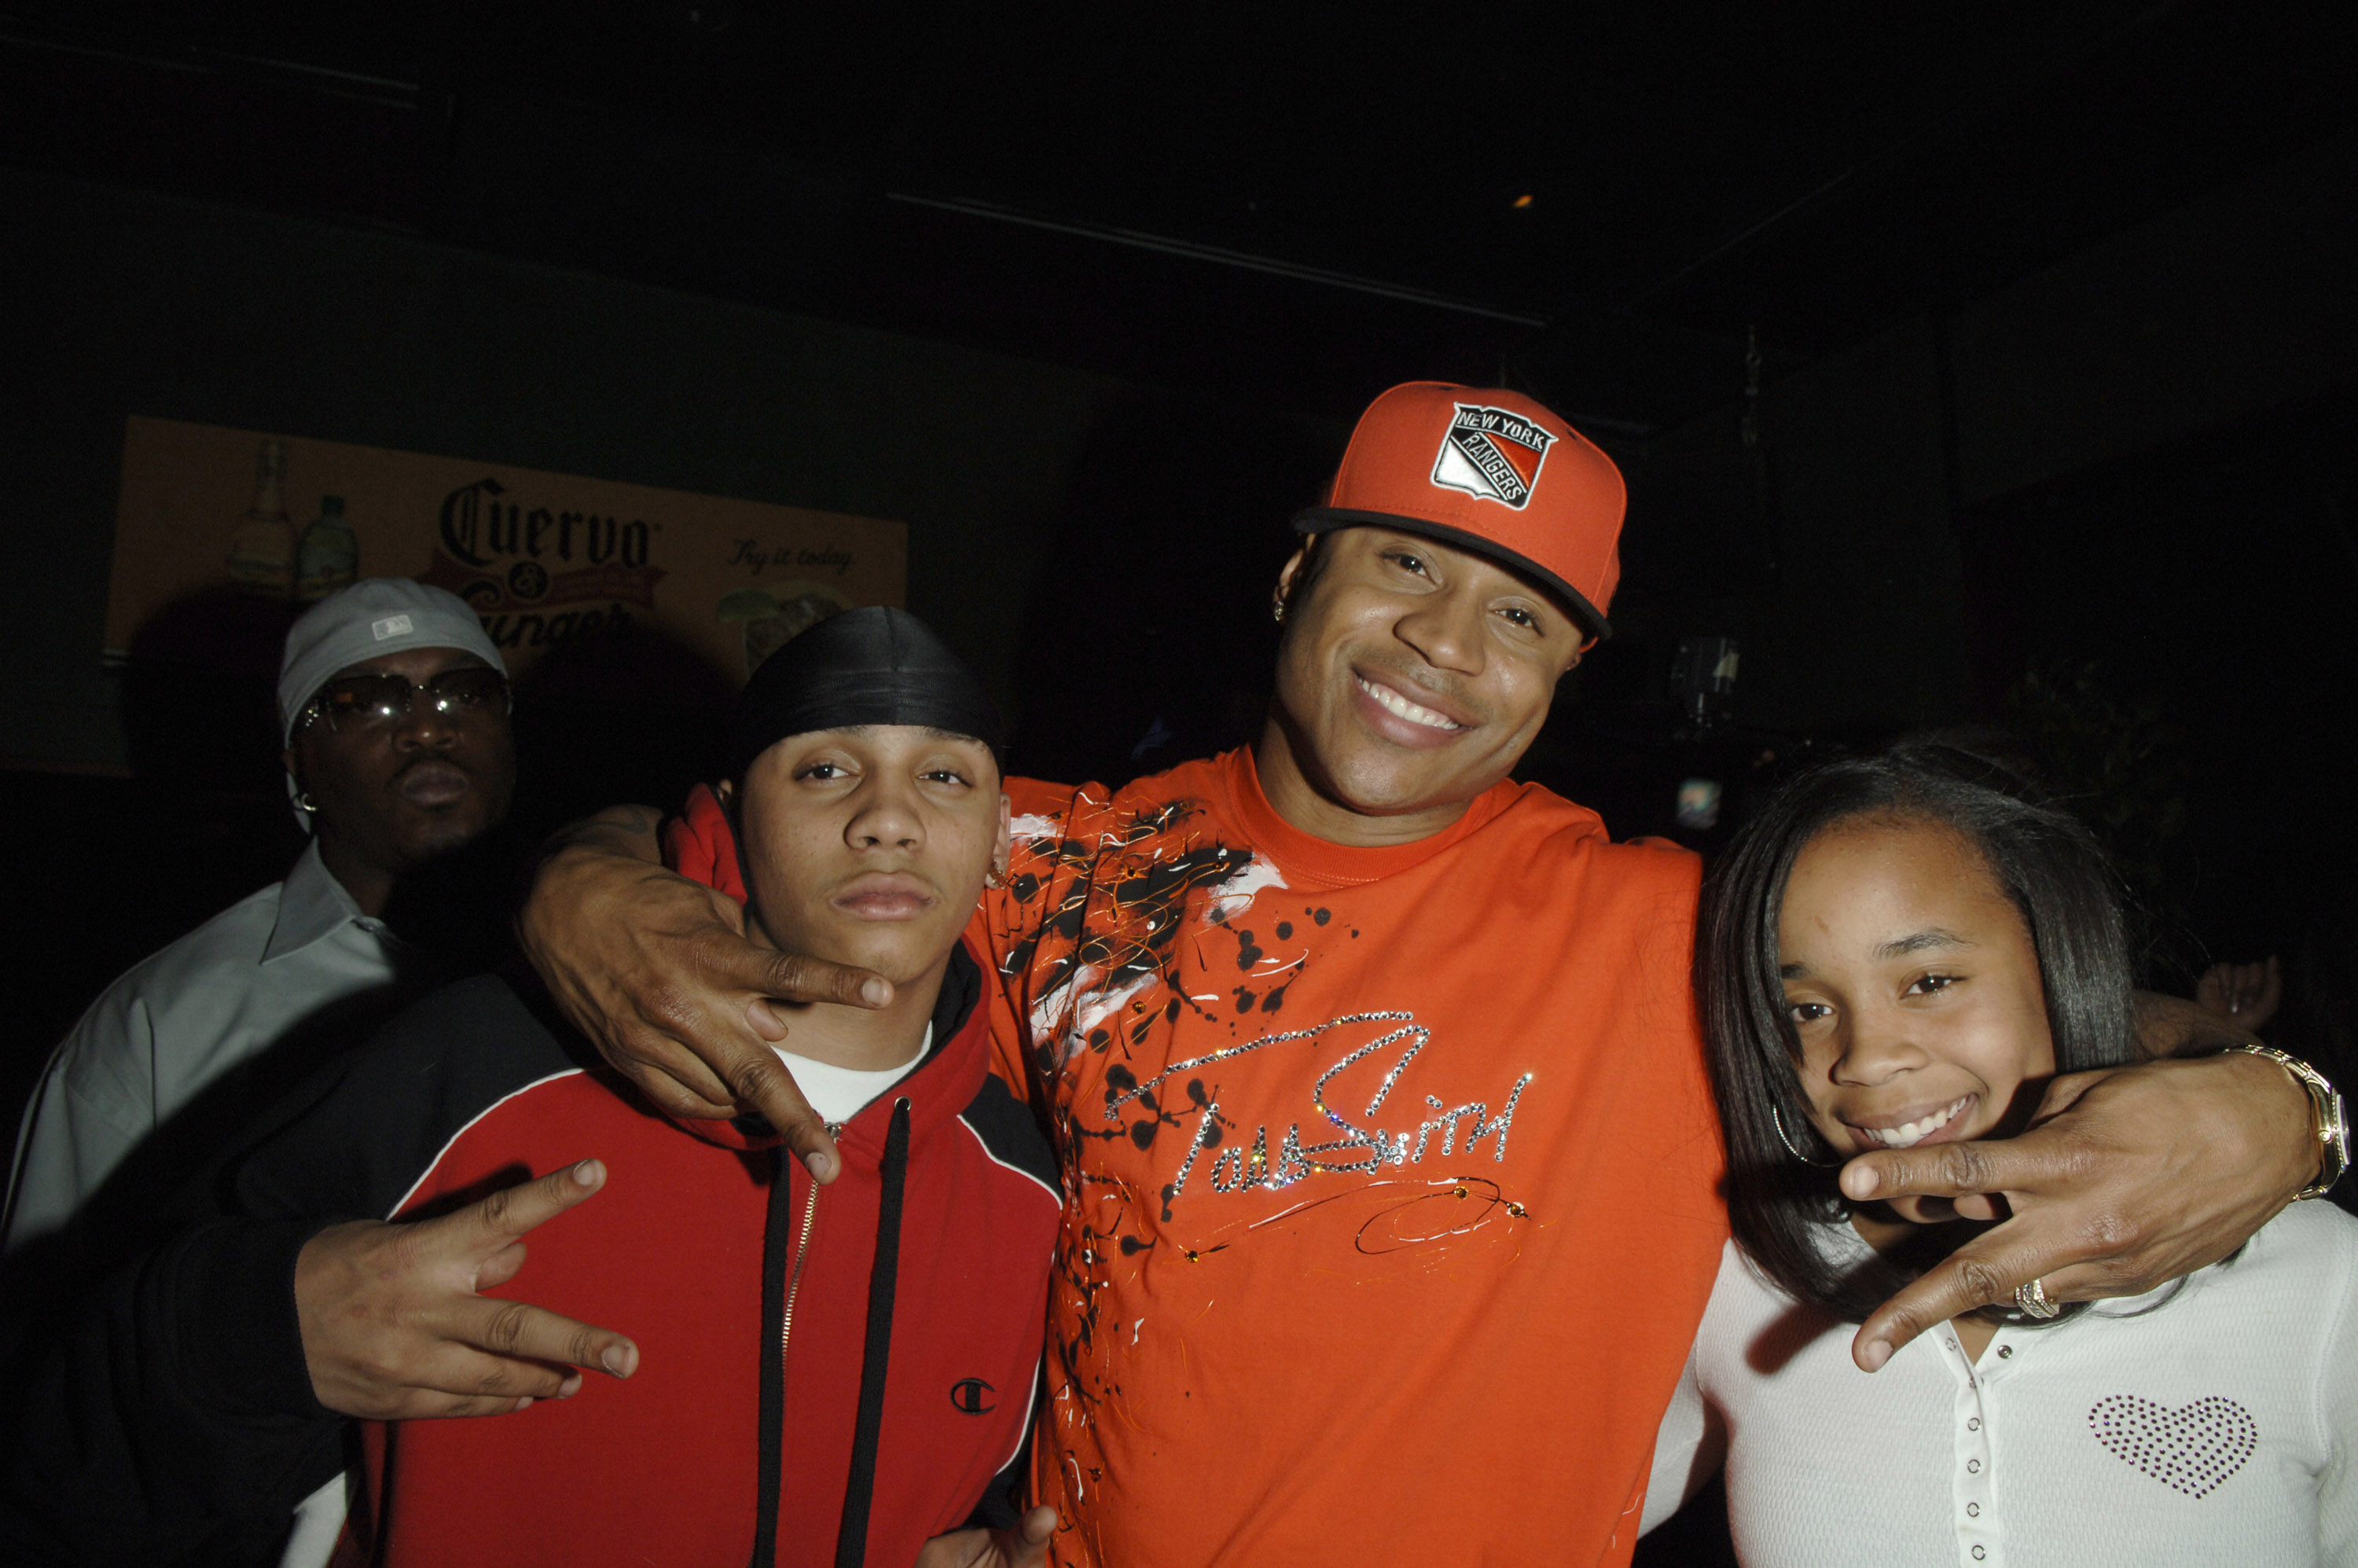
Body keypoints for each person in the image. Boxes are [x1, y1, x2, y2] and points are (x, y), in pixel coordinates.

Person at [154, 385, 2326, 1565]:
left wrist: (2293, 1100)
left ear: (1572, 677)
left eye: (1516, 618)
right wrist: (586, 877)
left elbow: (2010, 1031)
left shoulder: (1674, 932)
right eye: (1400, 566)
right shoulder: (1038, 853)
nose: (1434, 650)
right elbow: (716, 846)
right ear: (1299, 569)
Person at [0, 607, 1063, 1568]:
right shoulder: (478, 1066)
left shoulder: (1037, 1183)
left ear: (997, 831)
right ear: (732, 813)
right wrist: (259, 1335)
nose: (888, 818)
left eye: (943, 775)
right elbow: (73, 1442)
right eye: (827, 769)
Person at [1644, 745, 2354, 1563]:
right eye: (1804, 1007)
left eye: (1930, 982)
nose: (1866, 1057)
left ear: (2059, 964)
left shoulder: (2316, 1277)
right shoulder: (1739, 1287)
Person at [3, 579, 516, 1265]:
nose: (428, 726)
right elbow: (45, 1323)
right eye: (365, 699)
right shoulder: (163, 1022)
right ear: (297, 763)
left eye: (465, 690)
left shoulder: (603, 963)